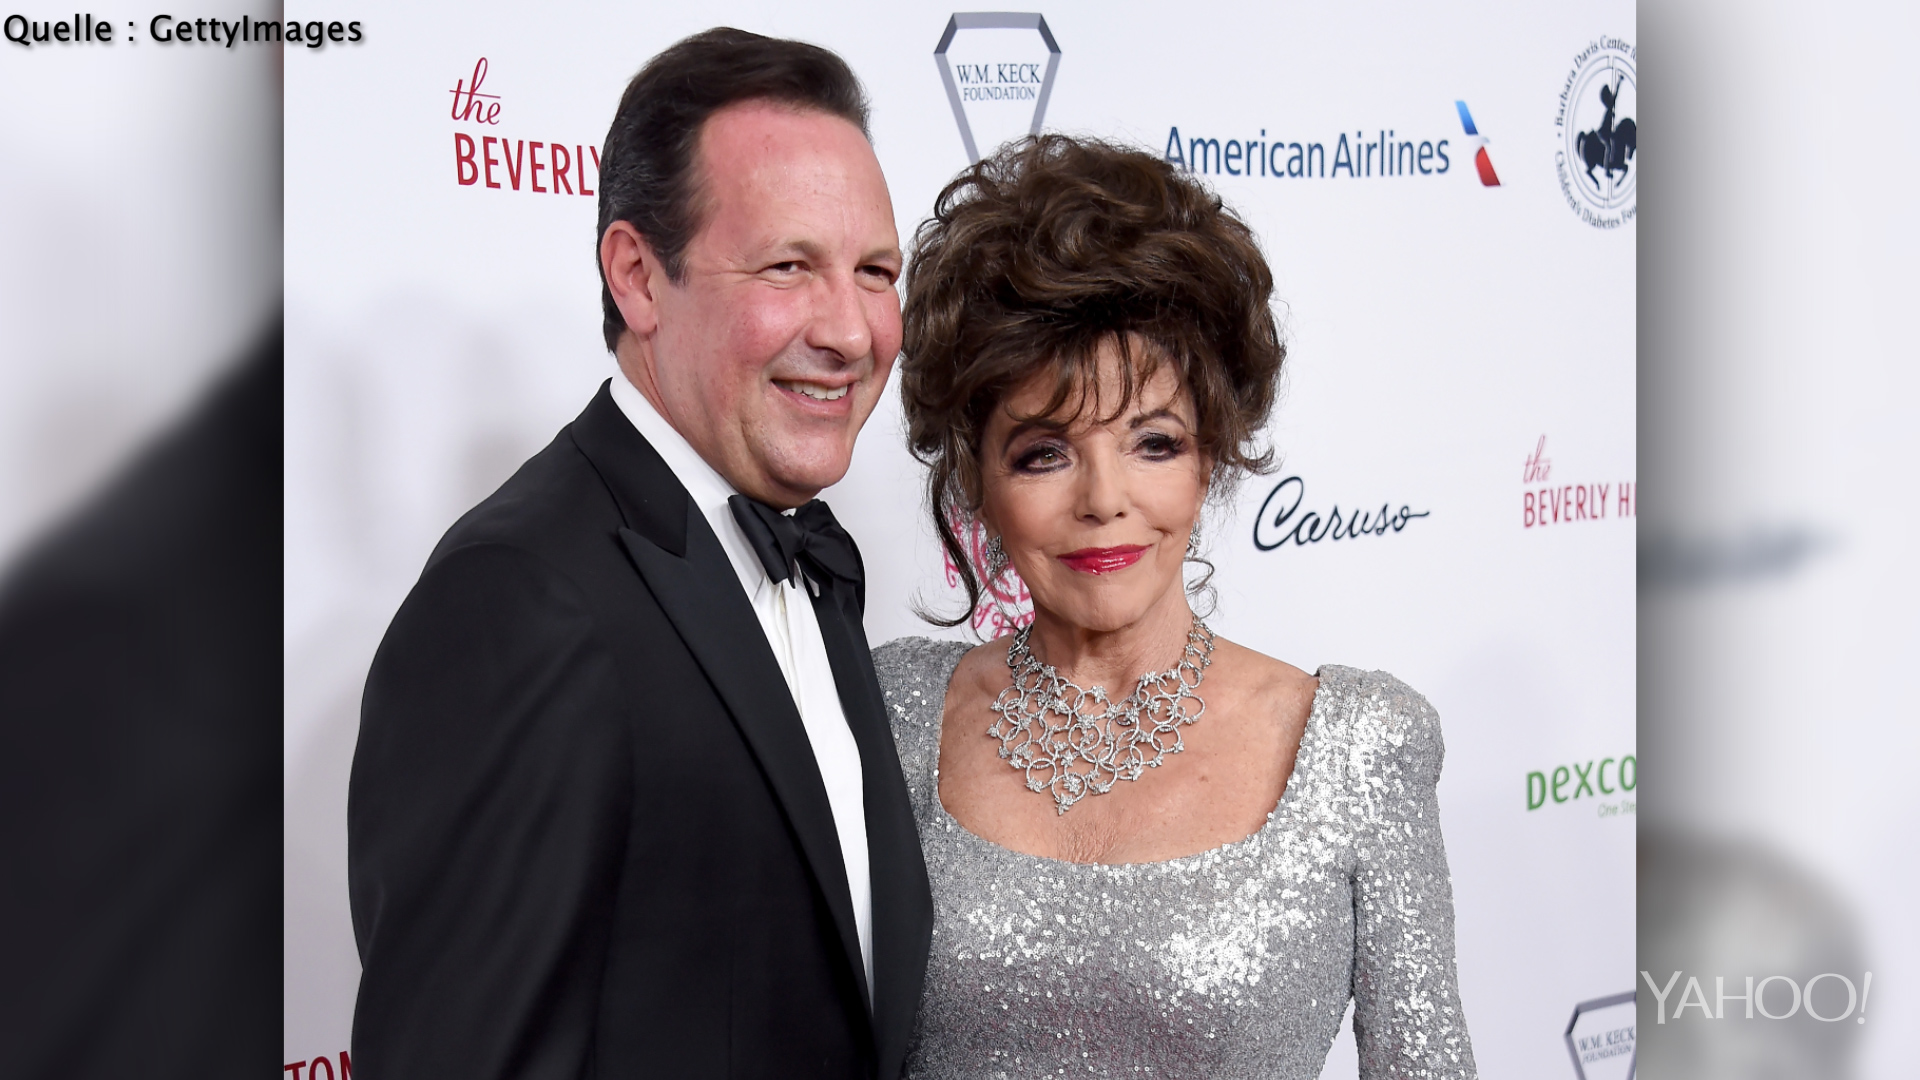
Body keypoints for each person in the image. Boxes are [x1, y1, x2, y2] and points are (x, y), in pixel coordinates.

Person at [348, 29, 931, 1079]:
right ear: (638, 277)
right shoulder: (517, 600)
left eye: (876, 272)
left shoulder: (810, 557)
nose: (852, 332)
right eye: (789, 266)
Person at [876, 135, 1477, 1078]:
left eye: (1152, 443)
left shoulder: (1357, 747)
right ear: (978, 482)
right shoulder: (896, 711)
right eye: (1044, 453)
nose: (1103, 499)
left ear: (1211, 459)